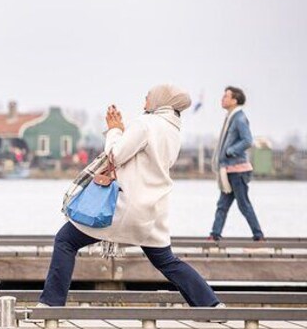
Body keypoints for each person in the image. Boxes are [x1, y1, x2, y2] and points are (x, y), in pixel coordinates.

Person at [39, 84, 220, 307]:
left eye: (148, 96)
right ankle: (210, 303)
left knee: (65, 240)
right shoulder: (174, 131)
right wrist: (123, 133)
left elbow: (115, 154)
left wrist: (114, 130)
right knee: (166, 260)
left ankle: (51, 304)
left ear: (160, 101)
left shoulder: (145, 124)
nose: (145, 100)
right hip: (153, 210)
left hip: (124, 207)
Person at [208, 86, 264, 241]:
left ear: (235, 100)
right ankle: (215, 235)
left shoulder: (239, 118)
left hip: (238, 170)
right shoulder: (230, 117)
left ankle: (258, 235)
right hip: (228, 170)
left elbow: (247, 140)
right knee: (222, 205)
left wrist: (229, 151)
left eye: (226, 96)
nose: (222, 99)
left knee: (243, 204)